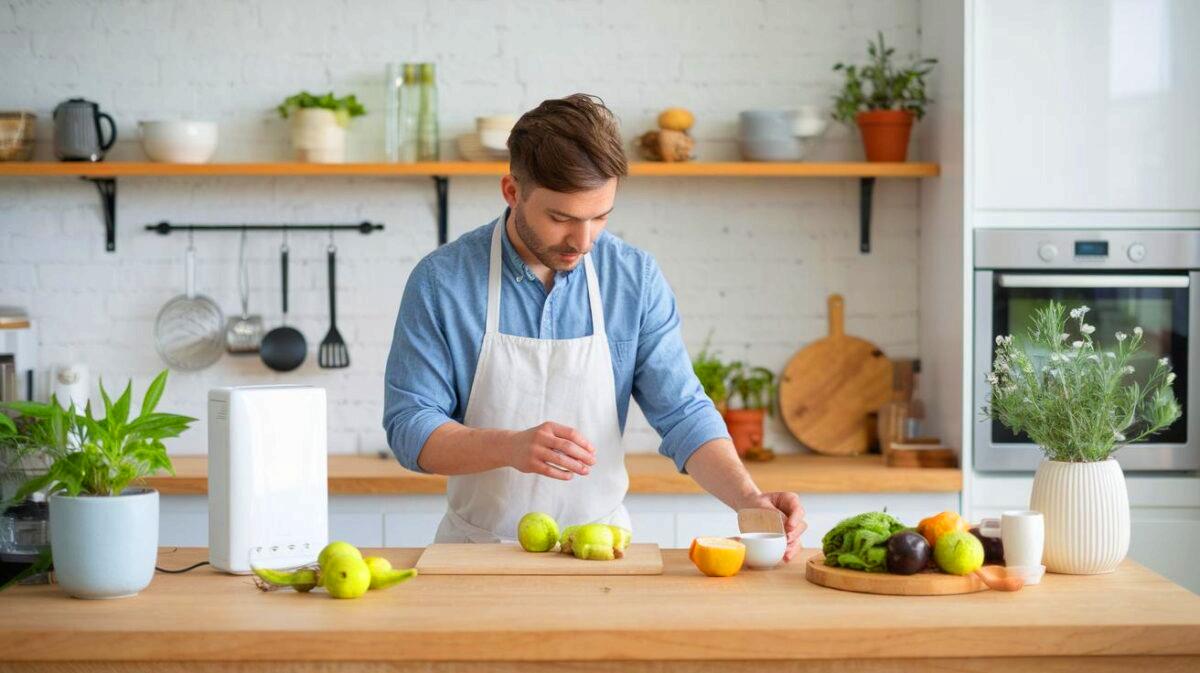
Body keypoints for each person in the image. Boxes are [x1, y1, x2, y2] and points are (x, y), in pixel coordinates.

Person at [383, 93, 805, 559]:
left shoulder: (633, 278)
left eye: (599, 217)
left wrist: (750, 500)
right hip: (476, 550)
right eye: (560, 218)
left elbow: (683, 413)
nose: (582, 242)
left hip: (602, 550)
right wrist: (510, 446)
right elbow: (410, 427)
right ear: (512, 191)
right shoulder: (442, 281)